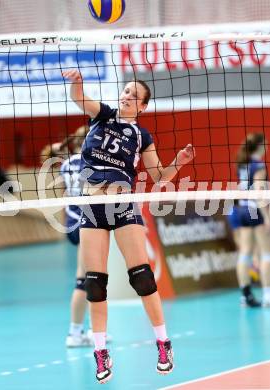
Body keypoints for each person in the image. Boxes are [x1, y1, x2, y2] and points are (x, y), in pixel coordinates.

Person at [62, 69, 195, 384]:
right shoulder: (103, 115)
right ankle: (100, 352)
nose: (126, 96)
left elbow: (160, 176)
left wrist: (179, 162)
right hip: (93, 206)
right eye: (125, 91)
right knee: (94, 283)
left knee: (143, 277)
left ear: (143, 107)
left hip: (122, 205)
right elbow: (79, 99)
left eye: (134, 96)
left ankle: (163, 343)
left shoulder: (142, 136)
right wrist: (76, 84)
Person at [41, 127, 112, 347]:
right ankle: (78, 332)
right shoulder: (93, 164)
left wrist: (61, 146)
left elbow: (46, 154)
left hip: (71, 225)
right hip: (87, 225)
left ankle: (85, 330)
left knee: (91, 277)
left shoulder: (65, 164)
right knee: (87, 280)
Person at [229, 132, 270, 308]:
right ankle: (268, 295)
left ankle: (245, 295)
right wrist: (267, 217)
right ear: (259, 145)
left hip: (240, 209)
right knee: (266, 252)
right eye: (265, 143)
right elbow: (259, 192)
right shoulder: (259, 165)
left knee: (245, 252)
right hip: (254, 209)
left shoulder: (242, 163)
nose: (267, 146)